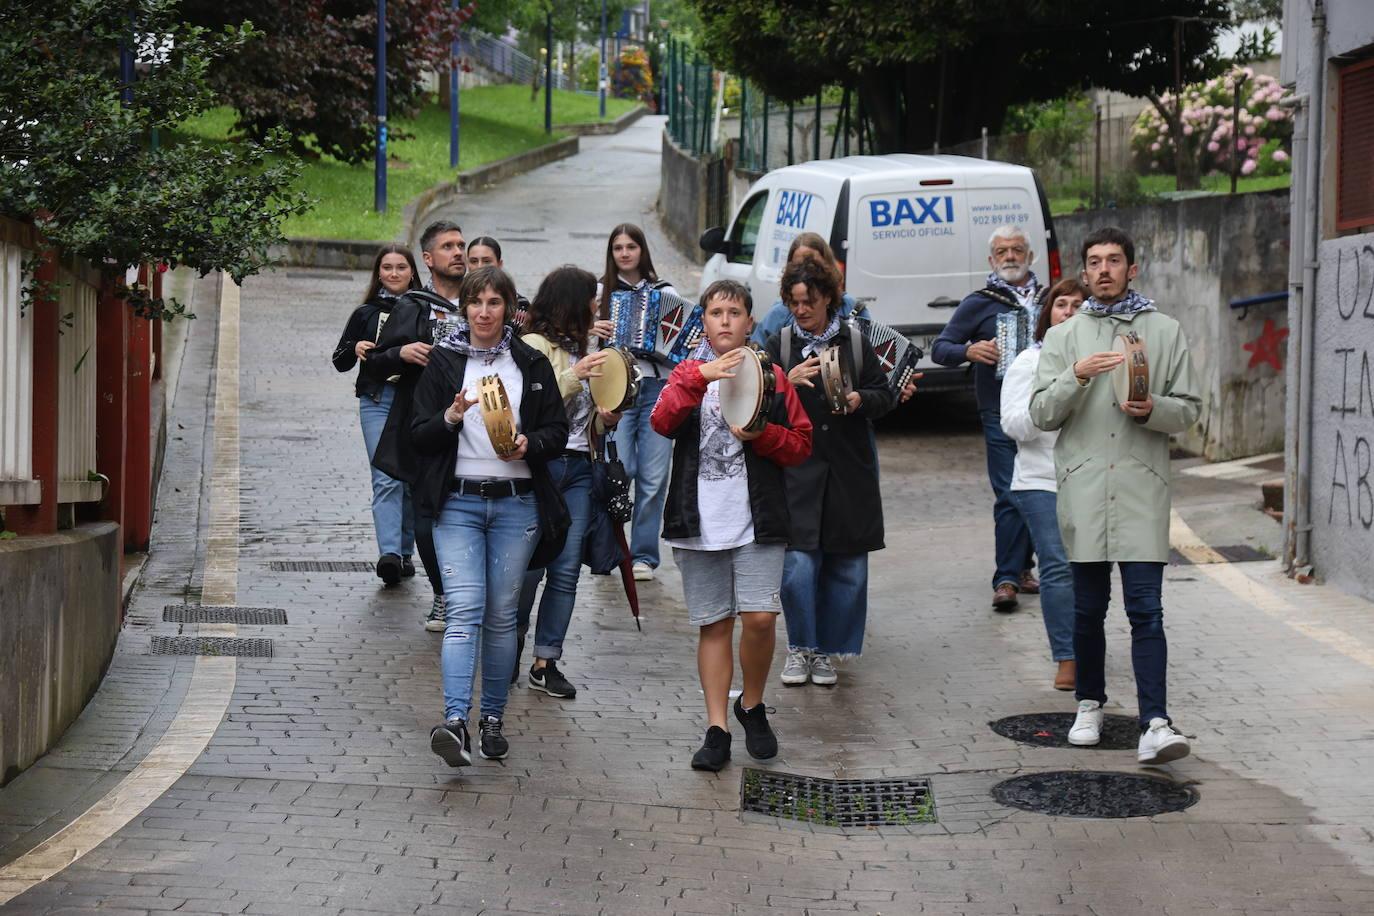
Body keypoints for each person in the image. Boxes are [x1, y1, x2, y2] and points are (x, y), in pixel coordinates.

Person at [1029, 226, 1200, 765]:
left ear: (1132, 269)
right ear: (1085, 272)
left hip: (1140, 488)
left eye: (1115, 261)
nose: (1104, 269)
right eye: (1095, 262)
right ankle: (1089, 703)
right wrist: (1075, 377)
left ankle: (1155, 721)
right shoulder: (1063, 338)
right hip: (1084, 488)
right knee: (1087, 609)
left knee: (1146, 609)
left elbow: (1191, 410)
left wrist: (1155, 411)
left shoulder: (1166, 331)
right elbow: (1040, 414)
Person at [651, 279, 811, 771]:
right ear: (704, 320)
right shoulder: (687, 372)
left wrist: (762, 436)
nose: (725, 320)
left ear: (749, 322)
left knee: (761, 617)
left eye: (735, 312)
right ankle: (717, 727)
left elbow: (801, 443)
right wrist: (699, 377)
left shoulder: (771, 375)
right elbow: (661, 421)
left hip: (757, 520)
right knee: (714, 624)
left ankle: (752, 705)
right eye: (716, 312)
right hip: (698, 521)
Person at [413, 266, 571, 767]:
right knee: (464, 610)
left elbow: (557, 430)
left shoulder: (529, 360)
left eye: (494, 302)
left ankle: (493, 720)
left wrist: (531, 443)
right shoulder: (444, 361)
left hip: (516, 502)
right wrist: (451, 417)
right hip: (455, 501)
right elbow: (418, 434)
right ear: (465, 308)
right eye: (475, 302)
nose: (484, 312)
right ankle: (456, 721)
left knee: (503, 616)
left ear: (509, 308)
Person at [765, 259, 896, 688]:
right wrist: (784, 379)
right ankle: (801, 646)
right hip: (797, 471)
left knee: (847, 567)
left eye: (810, 301)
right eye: (794, 302)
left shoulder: (855, 341)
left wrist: (861, 399)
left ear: (828, 299)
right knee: (799, 565)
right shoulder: (779, 343)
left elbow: (886, 394)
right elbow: (757, 396)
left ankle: (827, 651)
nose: (801, 310)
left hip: (846, 470)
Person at [513, 266, 620, 699]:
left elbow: (585, 419)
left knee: (566, 570)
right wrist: (577, 375)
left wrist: (605, 417)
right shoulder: (534, 345)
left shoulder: (584, 349)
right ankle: (508, 642)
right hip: (544, 465)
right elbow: (530, 404)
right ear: (571, 304)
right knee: (530, 567)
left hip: (580, 465)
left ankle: (545, 660)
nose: (597, 307)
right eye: (591, 300)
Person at [931, 225, 1044, 611]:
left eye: (1017, 250)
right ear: (991, 260)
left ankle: (1024, 568)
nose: (1010, 256)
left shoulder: (1051, 300)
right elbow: (940, 349)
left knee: (1039, 488)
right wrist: (969, 349)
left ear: (1031, 256)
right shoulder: (980, 302)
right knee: (1010, 492)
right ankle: (1007, 578)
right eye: (1002, 252)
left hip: (1048, 410)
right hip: (998, 409)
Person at [367, 220, 467, 631]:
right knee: (427, 513)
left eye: (461, 244)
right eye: (448, 247)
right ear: (428, 259)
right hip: (424, 423)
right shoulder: (413, 306)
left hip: (472, 424)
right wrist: (402, 352)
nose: (458, 252)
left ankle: (466, 593)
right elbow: (376, 360)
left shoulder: (481, 300)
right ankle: (442, 593)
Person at [999, 276, 1089, 691]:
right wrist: (1051, 403)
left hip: (1090, 480)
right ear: (1047, 314)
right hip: (1040, 481)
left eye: (1078, 305)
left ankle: (1089, 646)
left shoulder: (1102, 360)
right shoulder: (1027, 363)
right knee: (1056, 567)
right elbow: (1013, 424)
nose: (1069, 312)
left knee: (1088, 570)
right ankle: (1067, 657)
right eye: (1061, 305)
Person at [332, 245, 422, 585]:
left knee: (410, 478)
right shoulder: (365, 313)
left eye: (401, 267)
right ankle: (390, 555)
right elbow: (339, 359)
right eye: (388, 267)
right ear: (378, 273)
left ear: (413, 271)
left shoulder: (426, 310)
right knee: (385, 474)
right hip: (376, 399)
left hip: (413, 400)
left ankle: (405, 549)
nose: (395, 273)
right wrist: (354, 348)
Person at [597, 223, 677, 582]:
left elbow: (682, 345)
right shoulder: (600, 294)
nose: (625, 253)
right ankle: (610, 546)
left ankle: (643, 555)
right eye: (618, 248)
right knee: (620, 468)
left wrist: (668, 345)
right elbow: (582, 343)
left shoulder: (665, 291)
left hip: (657, 388)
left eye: (631, 246)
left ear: (643, 251)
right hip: (618, 387)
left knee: (654, 476)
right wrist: (591, 332)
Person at [749, 233, 861, 348]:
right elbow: (756, 355)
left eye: (813, 265)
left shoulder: (852, 308)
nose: (805, 272)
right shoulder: (779, 314)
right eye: (798, 266)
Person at [466, 236, 530, 328]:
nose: (479, 266)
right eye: (474, 261)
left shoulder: (519, 304)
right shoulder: (458, 299)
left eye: (486, 261)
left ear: (499, 264)